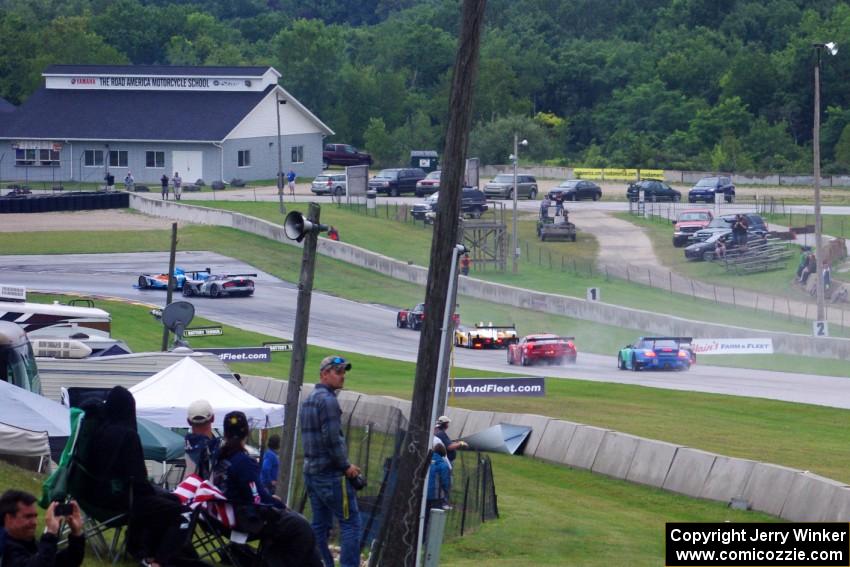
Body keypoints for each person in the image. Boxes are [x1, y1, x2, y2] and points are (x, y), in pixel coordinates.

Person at [88, 386, 186, 567]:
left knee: (168, 499)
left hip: (94, 497)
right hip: (121, 500)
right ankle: (158, 560)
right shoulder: (128, 436)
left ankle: (145, 550)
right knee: (181, 512)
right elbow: (139, 481)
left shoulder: (98, 432)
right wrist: (156, 491)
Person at [213, 411, 322, 567]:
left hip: (229, 515)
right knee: (301, 527)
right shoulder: (243, 462)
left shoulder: (220, 458)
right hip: (246, 519)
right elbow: (258, 499)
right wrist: (279, 504)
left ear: (225, 433)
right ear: (247, 432)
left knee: (293, 526)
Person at [300, 356, 362, 567]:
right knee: (351, 524)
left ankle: (322, 563)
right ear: (324, 374)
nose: (342, 376)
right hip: (330, 474)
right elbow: (332, 439)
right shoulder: (328, 401)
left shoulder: (308, 399)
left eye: (343, 372)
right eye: (337, 372)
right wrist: (346, 466)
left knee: (319, 524)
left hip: (311, 472)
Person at [0, 490, 85, 567]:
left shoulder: (27, 543)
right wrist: (51, 533)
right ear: (9, 518)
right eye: (28, 517)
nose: (34, 522)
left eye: (35, 516)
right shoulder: (4, 550)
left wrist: (76, 534)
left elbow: (65, 562)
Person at [184, 399, 220, 479]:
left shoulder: (186, 447)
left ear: (188, 422)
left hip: (188, 489)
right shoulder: (220, 448)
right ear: (213, 418)